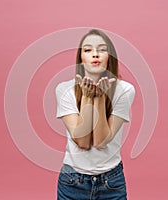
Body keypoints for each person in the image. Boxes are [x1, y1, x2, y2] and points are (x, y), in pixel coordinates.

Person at [55, 29, 135, 200]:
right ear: (81, 59)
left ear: (110, 57)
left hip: (111, 183)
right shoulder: (64, 89)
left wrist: (99, 98)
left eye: (102, 49)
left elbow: (100, 141)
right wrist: (86, 96)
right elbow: (82, 141)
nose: (95, 54)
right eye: (88, 50)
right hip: (72, 182)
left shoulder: (125, 90)